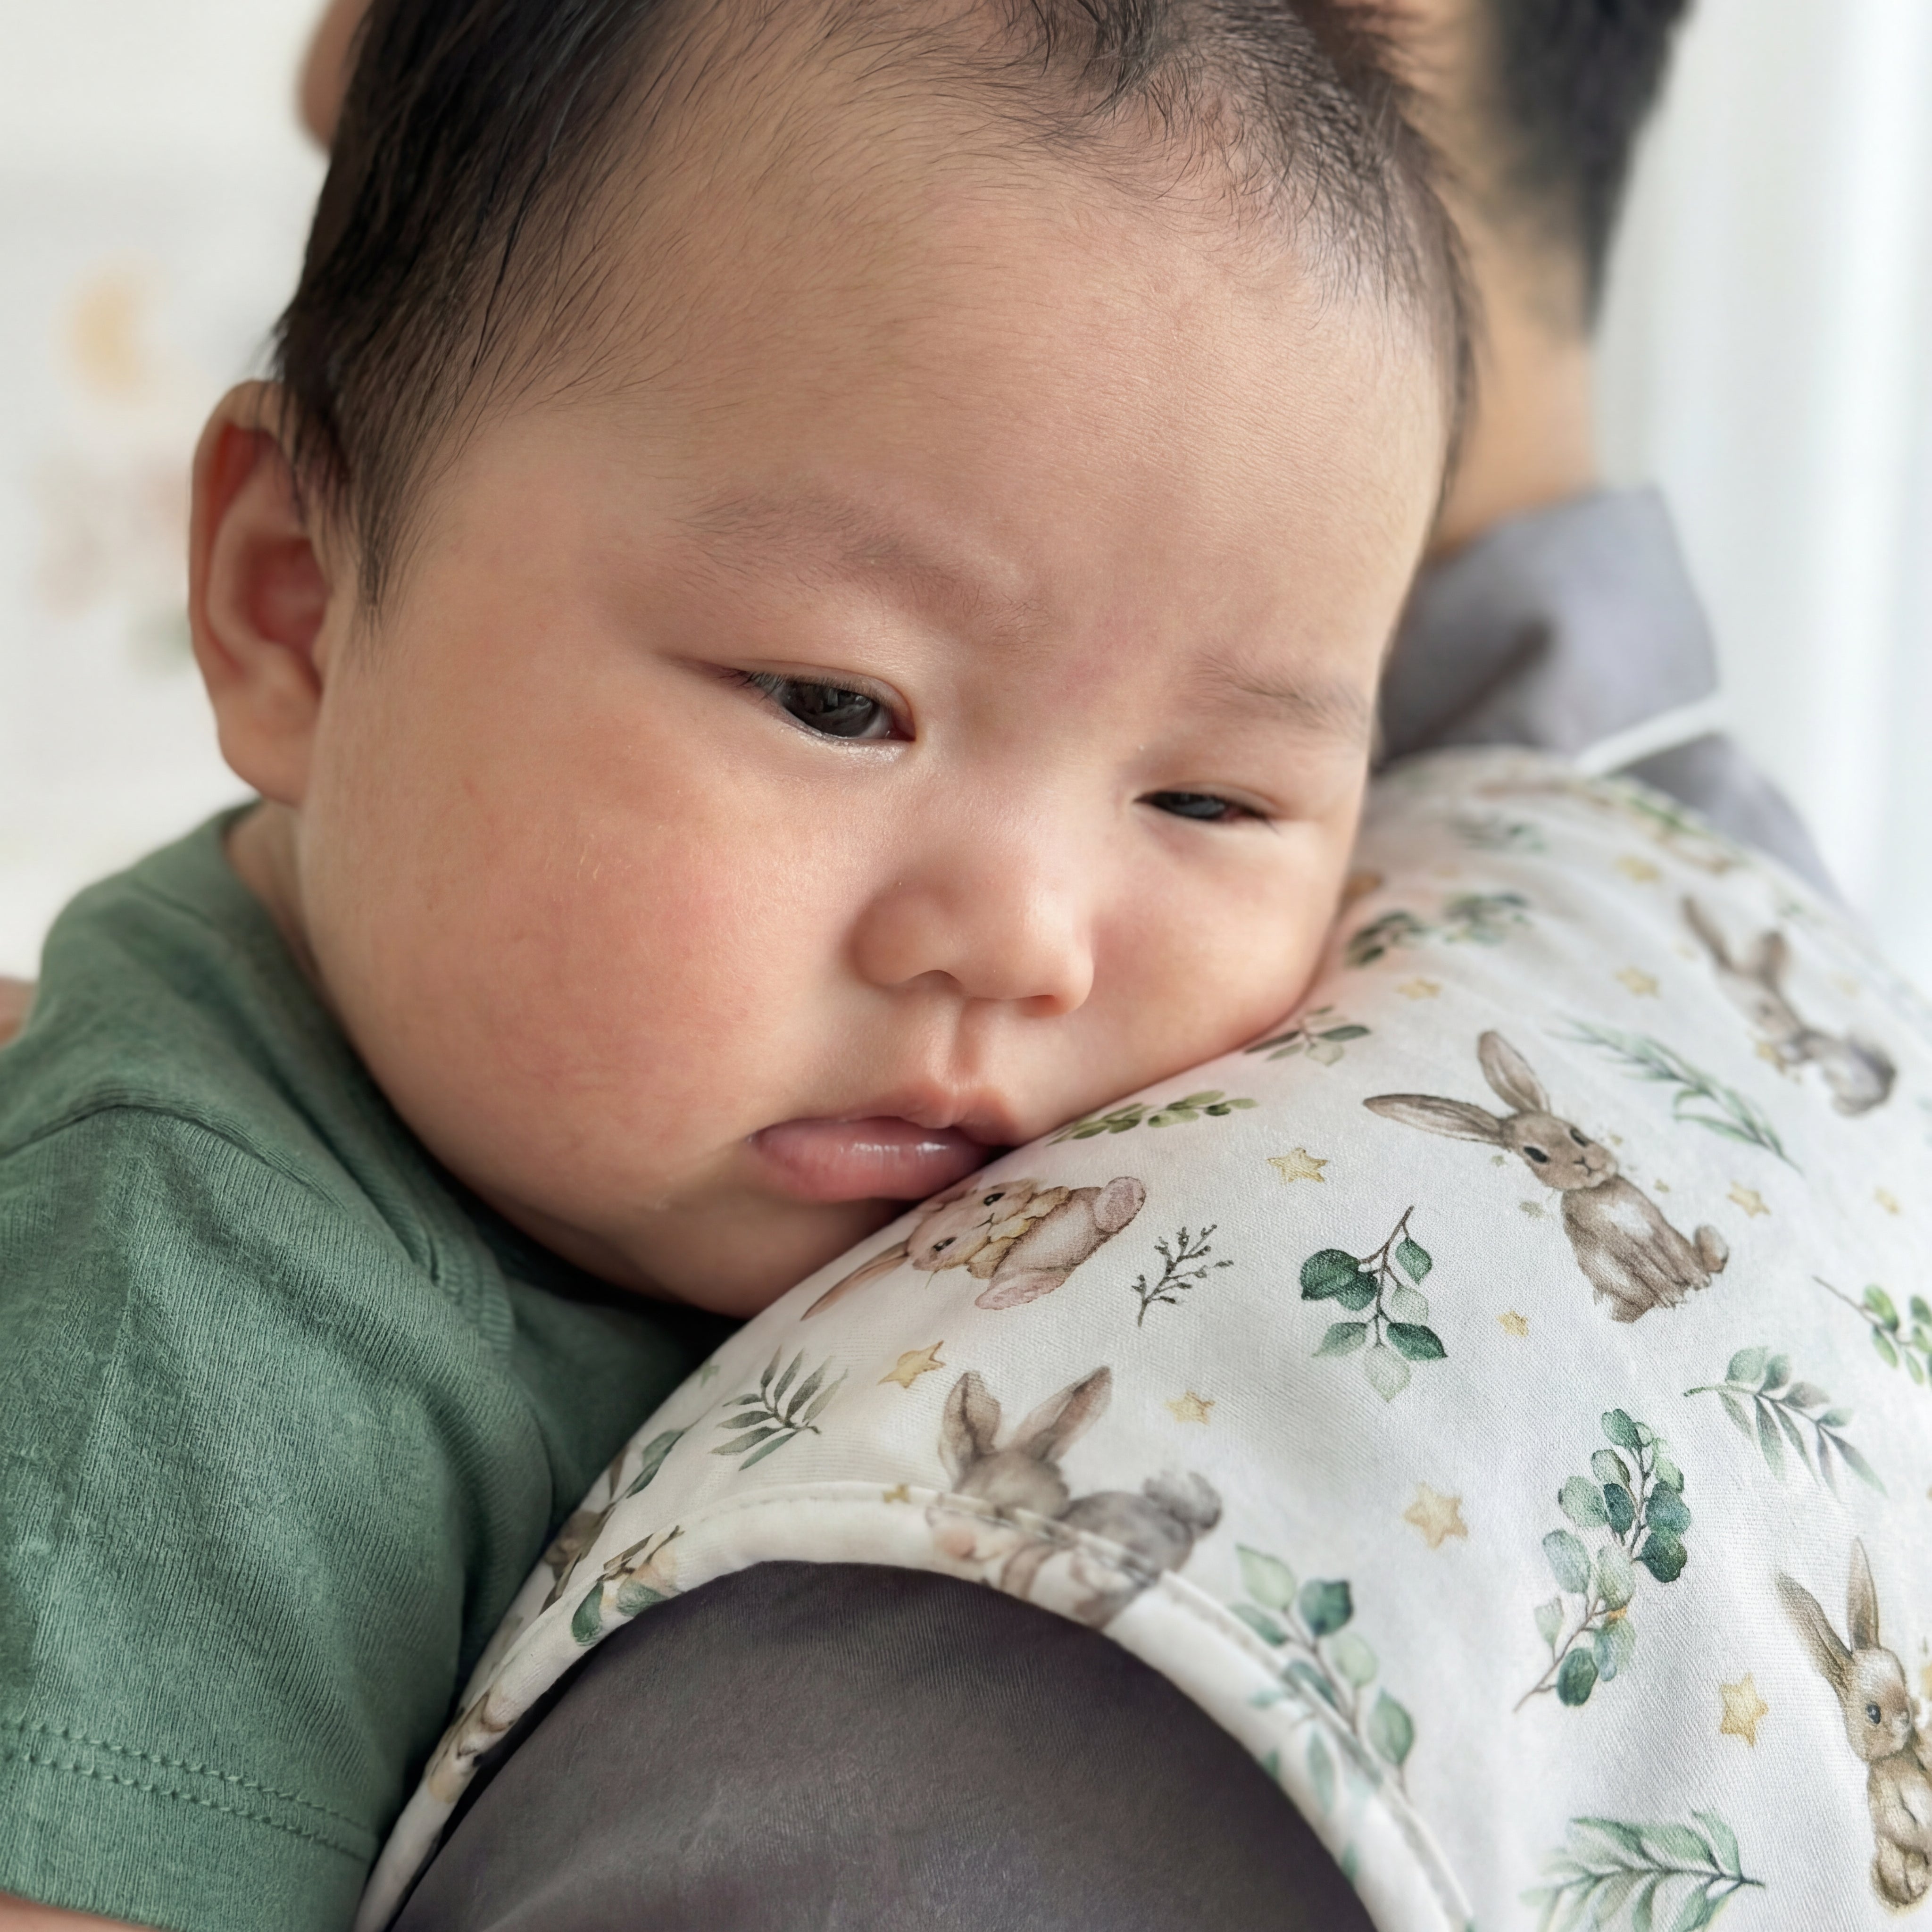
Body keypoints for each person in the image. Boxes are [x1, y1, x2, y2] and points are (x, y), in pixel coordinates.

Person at [0, 1, 1467, 1926]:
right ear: (297, 601)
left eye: (1205, 799)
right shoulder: (180, 1308)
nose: (1021, 937)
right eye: (837, 702)